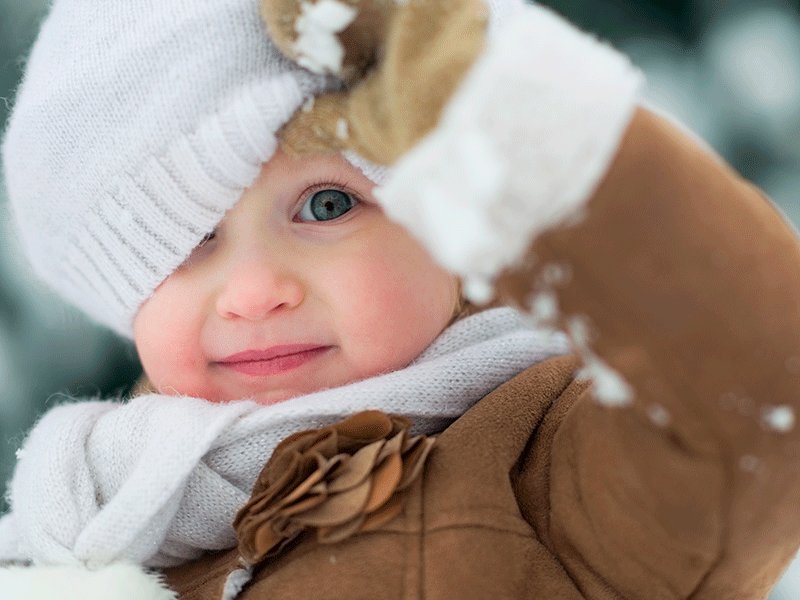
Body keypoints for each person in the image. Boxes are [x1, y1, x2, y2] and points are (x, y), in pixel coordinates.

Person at [1, 0, 800, 598]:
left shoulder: (554, 469)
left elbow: (759, 391)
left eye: (325, 205)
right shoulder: (87, 532)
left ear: (451, 220)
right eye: (182, 238)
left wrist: (496, 109)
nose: (252, 293)